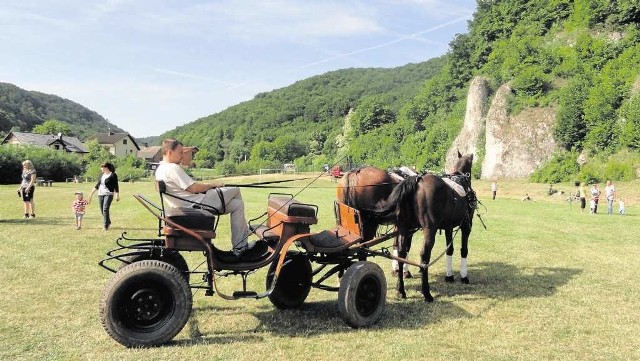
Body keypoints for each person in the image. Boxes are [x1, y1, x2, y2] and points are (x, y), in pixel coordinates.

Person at [155, 139, 265, 258]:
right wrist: (214, 184)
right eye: (180, 152)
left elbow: (188, 188)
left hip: (191, 204)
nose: (182, 155)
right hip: (199, 204)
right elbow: (193, 188)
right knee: (236, 189)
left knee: (237, 204)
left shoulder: (160, 169)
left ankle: (240, 246)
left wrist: (208, 188)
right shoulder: (172, 168)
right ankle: (243, 233)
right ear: (170, 152)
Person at [88, 162, 120, 230]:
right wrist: (91, 193)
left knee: (105, 209)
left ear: (106, 168)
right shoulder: (102, 175)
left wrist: (117, 195)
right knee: (102, 210)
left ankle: (105, 226)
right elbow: (98, 185)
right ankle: (108, 222)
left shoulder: (113, 175)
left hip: (109, 194)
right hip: (100, 194)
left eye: (102, 167)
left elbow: (116, 186)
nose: (101, 169)